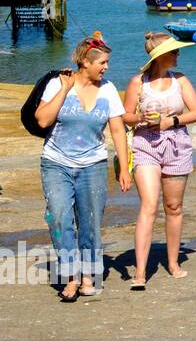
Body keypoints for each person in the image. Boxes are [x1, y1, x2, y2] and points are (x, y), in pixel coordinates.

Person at [34, 35, 132, 301]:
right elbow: (42, 120)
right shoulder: (58, 83)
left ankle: (88, 276)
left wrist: (124, 168)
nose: (106, 67)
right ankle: (70, 277)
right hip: (56, 163)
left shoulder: (109, 89)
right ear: (85, 62)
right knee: (60, 218)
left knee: (90, 223)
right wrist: (65, 90)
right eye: (102, 62)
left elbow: (117, 130)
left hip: (93, 164)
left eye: (107, 62)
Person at [122, 32, 196, 290]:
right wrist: (141, 117)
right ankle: (140, 271)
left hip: (177, 145)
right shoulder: (138, 82)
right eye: (174, 51)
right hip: (145, 144)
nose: (178, 55)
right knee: (149, 205)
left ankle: (173, 263)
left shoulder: (180, 80)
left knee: (173, 206)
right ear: (161, 56)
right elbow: (125, 116)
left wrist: (173, 120)